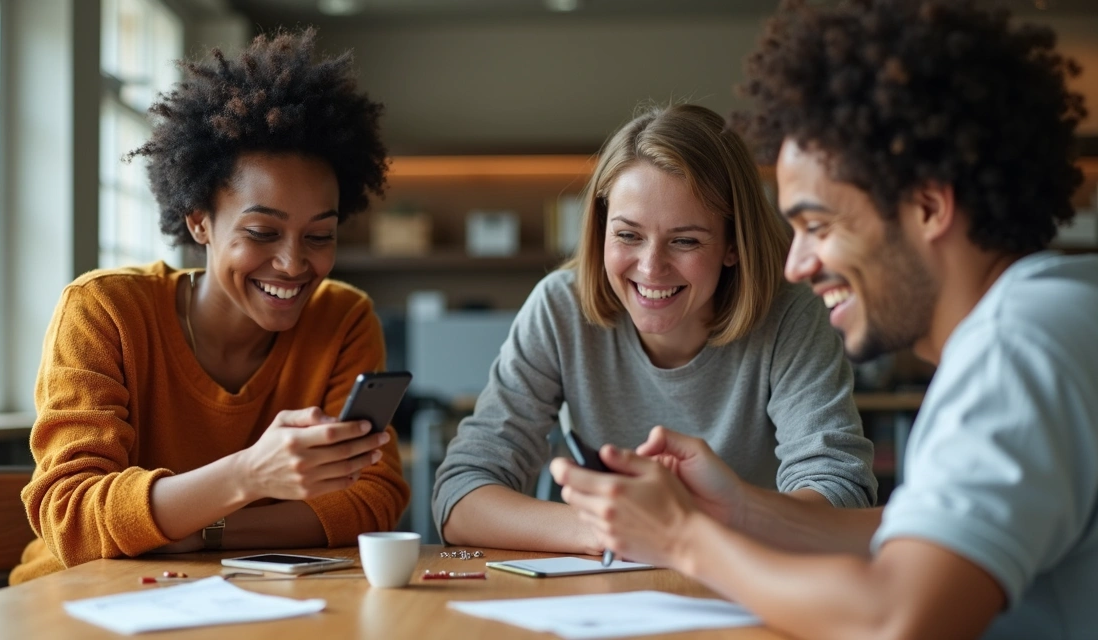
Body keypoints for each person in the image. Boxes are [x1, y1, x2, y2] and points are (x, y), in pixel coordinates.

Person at [553, 1, 1097, 638]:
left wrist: (682, 537)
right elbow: (907, 534)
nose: (797, 264)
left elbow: (896, 617)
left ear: (927, 207)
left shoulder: (1013, 349)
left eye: (819, 225)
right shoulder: (1061, 306)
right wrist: (735, 509)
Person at [11, 29, 409, 584]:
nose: (294, 264)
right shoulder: (104, 310)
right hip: (82, 603)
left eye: (320, 236)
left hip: (256, 596)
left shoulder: (342, 319)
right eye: (263, 231)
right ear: (200, 220)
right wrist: (249, 475)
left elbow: (370, 501)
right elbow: (73, 519)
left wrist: (198, 533)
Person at [434, 103, 878, 553]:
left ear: (731, 244)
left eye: (685, 241)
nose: (651, 268)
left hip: (742, 592)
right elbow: (460, 495)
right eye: (628, 235)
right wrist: (612, 529)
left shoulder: (790, 314)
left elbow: (841, 494)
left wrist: (681, 532)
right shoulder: (558, 307)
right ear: (601, 227)